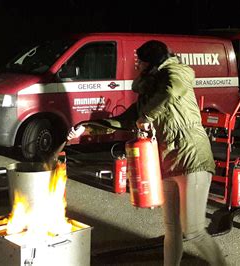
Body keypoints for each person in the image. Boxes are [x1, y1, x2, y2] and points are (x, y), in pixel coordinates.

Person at [68, 40, 227, 265]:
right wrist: (87, 126)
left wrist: (147, 117)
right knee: (172, 230)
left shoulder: (176, 73)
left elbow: (171, 92)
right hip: (166, 162)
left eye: (140, 62)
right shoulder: (148, 90)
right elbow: (125, 121)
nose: (137, 67)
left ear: (150, 63)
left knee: (194, 231)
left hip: (192, 157)